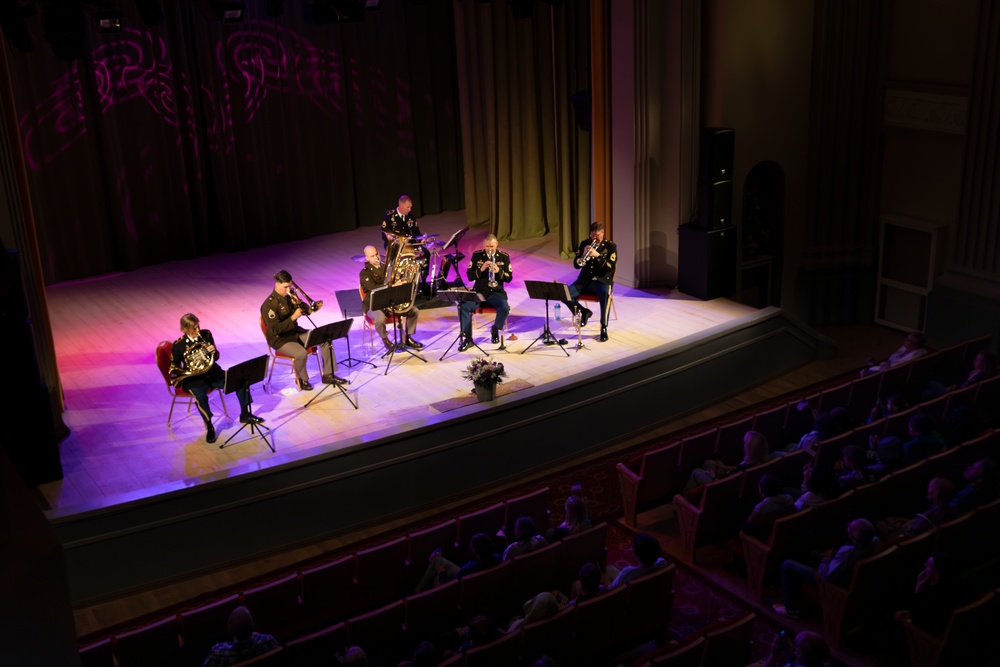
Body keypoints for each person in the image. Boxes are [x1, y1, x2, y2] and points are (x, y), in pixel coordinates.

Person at [170, 313, 262, 444]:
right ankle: (210, 426)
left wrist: (214, 352)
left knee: (240, 380)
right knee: (201, 397)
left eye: (198, 326)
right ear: (185, 329)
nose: (197, 331)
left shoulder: (206, 334)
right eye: (194, 329)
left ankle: (245, 415)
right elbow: (174, 368)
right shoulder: (178, 345)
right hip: (194, 379)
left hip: (213, 373)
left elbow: (216, 356)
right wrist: (189, 370)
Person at [773, 518, 881, 619]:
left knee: (787, 565)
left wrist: (826, 558)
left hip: (832, 584)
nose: (848, 527)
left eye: (851, 528)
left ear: (854, 536)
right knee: (812, 554)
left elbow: (827, 576)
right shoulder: (875, 542)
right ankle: (795, 592)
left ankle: (792, 609)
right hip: (847, 574)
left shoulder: (847, 552)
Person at [260, 270, 345, 391]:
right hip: (280, 339)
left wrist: (299, 302)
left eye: (290, 286)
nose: (288, 289)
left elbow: (307, 312)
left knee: (325, 338)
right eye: (285, 287)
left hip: (295, 332)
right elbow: (275, 330)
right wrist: (293, 317)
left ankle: (328, 375)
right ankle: (302, 378)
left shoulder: (289, 295)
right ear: (277, 284)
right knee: (301, 353)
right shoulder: (269, 305)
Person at [359, 245, 423, 353]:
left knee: (413, 311)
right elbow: (372, 288)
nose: (376, 258)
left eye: (377, 254)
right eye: (372, 256)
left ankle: (407, 338)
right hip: (373, 305)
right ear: (367, 258)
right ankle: (386, 340)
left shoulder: (386, 268)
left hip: (390, 301)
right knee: (379, 317)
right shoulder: (365, 272)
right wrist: (391, 286)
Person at [561, 221, 617, 342]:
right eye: (592, 235)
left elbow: (610, 266)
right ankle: (583, 312)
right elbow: (577, 265)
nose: (594, 238)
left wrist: (598, 255)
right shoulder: (585, 243)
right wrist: (582, 256)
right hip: (584, 280)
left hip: (602, 281)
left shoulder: (610, 246)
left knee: (605, 296)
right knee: (564, 294)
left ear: (603, 233)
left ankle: (603, 328)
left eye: (597, 235)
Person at [458, 233, 511, 350]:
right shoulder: (477, 256)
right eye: (487, 246)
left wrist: (498, 271)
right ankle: (467, 338)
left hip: (496, 292)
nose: (489, 249)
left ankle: (495, 329)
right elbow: (470, 276)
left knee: (505, 308)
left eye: (492, 246)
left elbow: (509, 278)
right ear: (484, 244)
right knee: (463, 306)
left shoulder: (504, 257)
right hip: (479, 292)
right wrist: (481, 269)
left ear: (496, 244)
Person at [202, 605, 278, 667]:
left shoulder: (216, 656)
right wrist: (257, 636)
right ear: (252, 626)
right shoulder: (268, 641)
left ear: (230, 633)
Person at [861, 331, 928, 376]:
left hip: (888, 374)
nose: (905, 340)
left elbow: (891, 369)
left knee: (863, 373)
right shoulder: (904, 349)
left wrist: (876, 366)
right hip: (886, 367)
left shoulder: (910, 359)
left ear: (913, 344)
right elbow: (890, 361)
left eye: (907, 339)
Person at [756, 630, 829, 667]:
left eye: (797, 648)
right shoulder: (822, 662)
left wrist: (773, 655)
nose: (794, 649)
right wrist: (787, 652)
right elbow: (796, 662)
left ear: (802, 655)